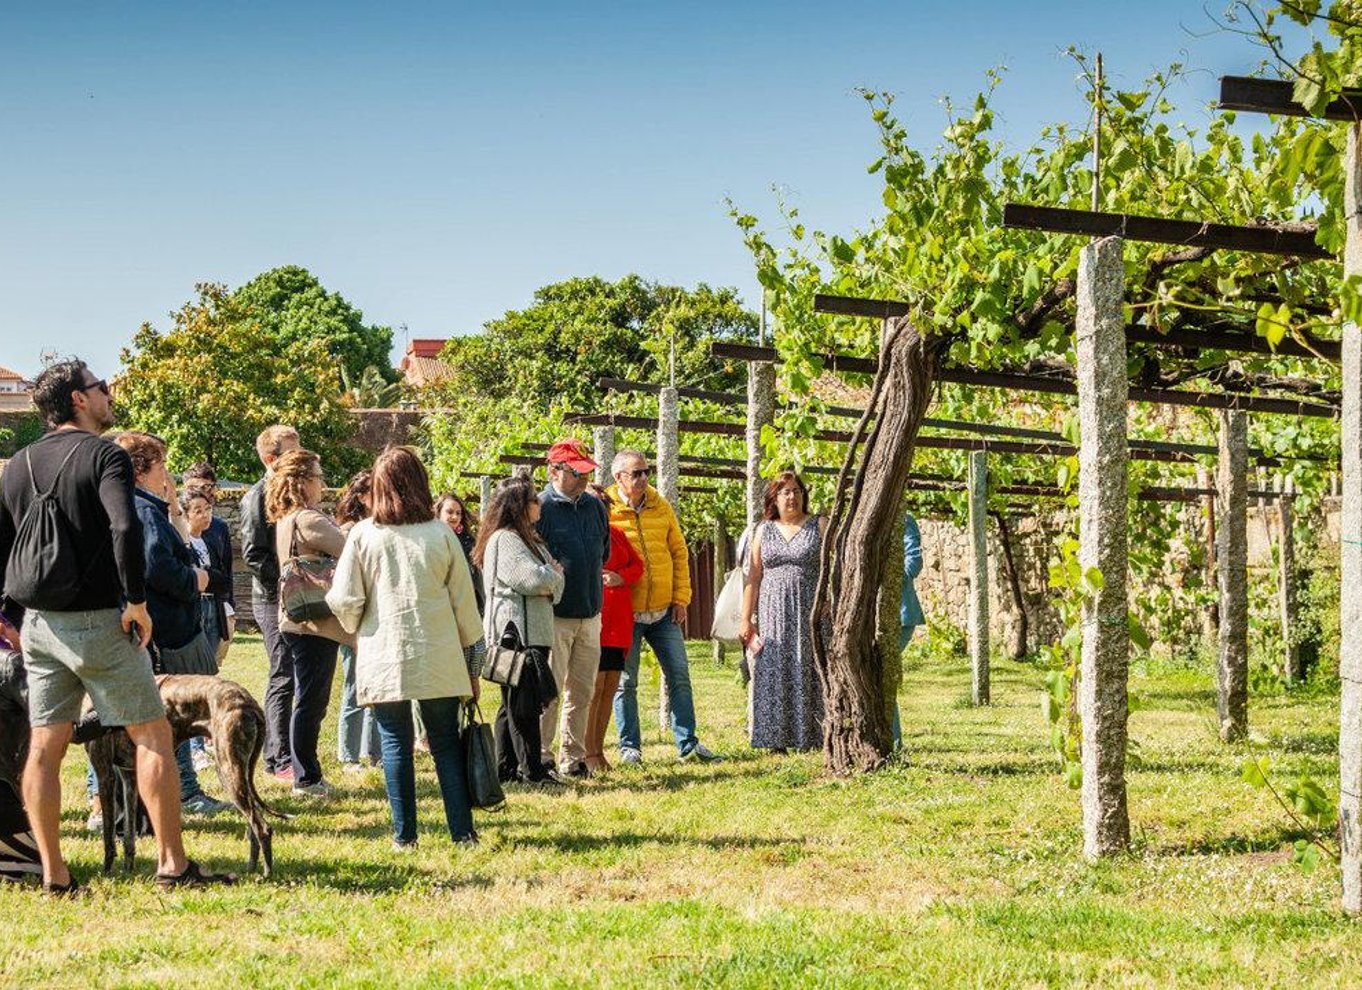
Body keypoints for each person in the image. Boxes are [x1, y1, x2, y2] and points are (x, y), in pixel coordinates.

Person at [0, 359, 233, 892]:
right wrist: (135, 601)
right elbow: (124, 524)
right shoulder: (105, 454)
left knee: (45, 746)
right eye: (99, 386)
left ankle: (55, 875)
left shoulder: (19, 463)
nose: (108, 392)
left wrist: (10, 618)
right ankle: (172, 865)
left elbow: (4, 544)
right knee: (151, 733)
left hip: (39, 625)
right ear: (79, 400)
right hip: (100, 620)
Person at [327, 448, 485, 849]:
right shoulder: (442, 534)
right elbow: (465, 605)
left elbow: (344, 598)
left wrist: (359, 625)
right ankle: (462, 833)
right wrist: (473, 661)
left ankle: (405, 836)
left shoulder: (364, 535)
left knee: (395, 742)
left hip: (385, 652)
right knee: (446, 742)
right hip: (439, 651)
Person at [116, 432, 231, 816]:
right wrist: (194, 580)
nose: (167, 475)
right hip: (167, 628)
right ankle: (185, 792)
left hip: (161, 624)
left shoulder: (145, 507)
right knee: (179, 716)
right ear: (142, 470)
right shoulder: (144, 511)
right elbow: (158, 567)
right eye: (162, 465)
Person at [606, 450, 719, 764]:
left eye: (646, 471)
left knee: (679, 675)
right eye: (636, 473)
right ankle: (630, 748)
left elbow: (679, 553)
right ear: (619, 478)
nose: (644, 478)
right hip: (625, 613)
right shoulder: (606, 509)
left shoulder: (661, 505)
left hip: (664, 612)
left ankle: (688, 744)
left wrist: (680, 598)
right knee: (625, 683)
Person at [267, 449, 352, 799]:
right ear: (302, 481)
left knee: (308, 697)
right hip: (314, 623)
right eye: (318, 476)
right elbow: (350, 549)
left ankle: (306, 771)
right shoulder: (309, 519)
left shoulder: (286, 519)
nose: (323, 483)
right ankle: (306, 777)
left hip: (295, 619)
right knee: (312, 701)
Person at [473, 478, 564, 786]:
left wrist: (549, 578)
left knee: (511, 703)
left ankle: (507, 768)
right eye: (534, 499)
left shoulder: (531, 541)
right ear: (519, 506)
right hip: (517, 635)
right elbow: (530, 580)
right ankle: (532, 770)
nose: (540, 504)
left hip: (534, 631)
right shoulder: (506, 540)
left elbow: (555, 586)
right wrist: (551, 576)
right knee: (522, 705)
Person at [535, 439, 611, 778]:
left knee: (582, 689)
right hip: (555, 615)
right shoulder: (540, 509)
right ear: (554, 470)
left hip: (590, 612)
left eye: (585, 472)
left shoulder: (595, 507)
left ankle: (573, 757)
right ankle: (542, 755)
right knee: (549, 690)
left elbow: (603, 553)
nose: (582, 478)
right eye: (575, 471)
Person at [738, 471, 827, 752]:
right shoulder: (763, 530)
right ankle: (776, 739)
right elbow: (753, 576)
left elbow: (835, 568)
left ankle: (811, 736)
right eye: (785, 492)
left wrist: (829, 600)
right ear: (774, 499)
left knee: (810, 668)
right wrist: (746, 619)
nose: (792, 497)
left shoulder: (820, 525)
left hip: (810, 609)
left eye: (797, 491)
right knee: (775, 670)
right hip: (773, 613)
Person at [239, 424, 301, 781]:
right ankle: (277, 757)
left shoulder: (287, 491)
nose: (298, 458)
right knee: (282, 673)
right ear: (270, 458)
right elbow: (253, 554)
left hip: (292, 594)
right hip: (272, 597)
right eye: (291, 453)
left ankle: (288, 750)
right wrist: (283, 587)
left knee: (295, 675)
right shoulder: (255, 497)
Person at [582, 484, 643, 774]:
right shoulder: (580, 537)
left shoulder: (617, 536)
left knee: (609, 688)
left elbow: (638, 567)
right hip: (596, 620)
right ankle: (585, 752)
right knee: (593, 689)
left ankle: (598, 749)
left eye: (604, 506)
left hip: (619, 623)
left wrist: (620, 577)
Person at [334, 471, 381, 772]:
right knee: (354, 686)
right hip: (356, 618)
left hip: (375, 619)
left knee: (376, 688)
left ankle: (373, 752)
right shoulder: (351, 531)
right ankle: (348, 753)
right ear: (363, 497)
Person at [183, 462, 235, 665]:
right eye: (195, 487)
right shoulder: (173, 525)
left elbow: (226, 567)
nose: (202, 491)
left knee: (213, 665)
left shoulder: (219, 527)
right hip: (192, 604)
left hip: (217, 604)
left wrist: (229, 605)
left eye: (207, 487)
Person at [892, 512, 924, 749]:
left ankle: (893, 743)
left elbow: (913, 562)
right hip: (867, 615)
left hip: (900, 614)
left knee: (881, 673)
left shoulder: (902, 518)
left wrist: (887, 581)